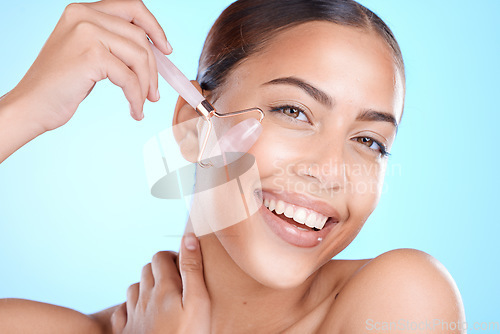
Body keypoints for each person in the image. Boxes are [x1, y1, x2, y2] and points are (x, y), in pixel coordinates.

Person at [0, 0, 466, 333]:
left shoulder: (404, 301)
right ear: (191, 127)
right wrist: (25, 108)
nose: (331, 171)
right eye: (294, 111)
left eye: (368, 140)